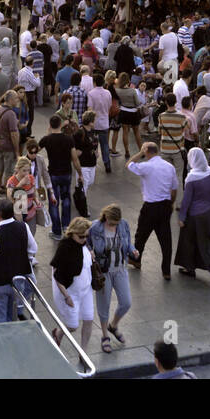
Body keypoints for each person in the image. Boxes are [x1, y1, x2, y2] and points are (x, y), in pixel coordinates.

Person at [0, 197, 37, 324]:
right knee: (12, 316)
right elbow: (33, 248)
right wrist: (25, 258)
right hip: (18, 281)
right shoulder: (23, 227)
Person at [126, 141, 178, 281]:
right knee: (166, 240)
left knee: (141, 236)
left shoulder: (146, 166)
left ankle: (136, 260)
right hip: (165, 205)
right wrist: (171, 204)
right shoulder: (169, 167)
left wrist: (140, 153)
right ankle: (166, 271)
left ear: (147, 152)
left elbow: (129, 164)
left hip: (150, 207)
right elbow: (174, 189)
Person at [90, 204, 137, 354]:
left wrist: (133, 250)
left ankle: (114, 325)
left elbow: (128, 243)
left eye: (116, 224)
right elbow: (85, 242)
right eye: (111, 223)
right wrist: (89, 251)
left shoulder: (123, 224)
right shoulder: (95, 227)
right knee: (103, 304)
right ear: (106, 217)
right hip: (103, 271)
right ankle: (105, 336)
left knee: (126, 302)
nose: (113, 226)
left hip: (120, 268)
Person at [175, 147, 210, 282]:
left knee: (189, 242)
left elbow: (186, 200)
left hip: (194, 216)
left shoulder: (192, 178)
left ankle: (189, 268)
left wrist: (182, 217)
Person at [50, 217, 95, 352]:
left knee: (89, 319)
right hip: (70, 291)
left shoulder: (84, 244)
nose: (84, 239)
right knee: (72, 325)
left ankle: (83, 351)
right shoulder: (65, 247)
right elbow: (57, 276)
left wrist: (90, 254)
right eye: (81, 236)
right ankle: (58, 333)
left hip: (86, 289)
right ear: (73, 233)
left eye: (86, 236)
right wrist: (67, 296)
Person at [39, 114, 78, 237]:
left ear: (50, 125)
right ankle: (66, 226)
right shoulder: (69, 139)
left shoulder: (46, 139)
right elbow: (75, 158)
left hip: (53, 174)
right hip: (66, 173)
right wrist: (80, 173)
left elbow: (34, 150)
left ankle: (56, 231)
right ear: (61, 125)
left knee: (53, 202)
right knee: (66, 199)